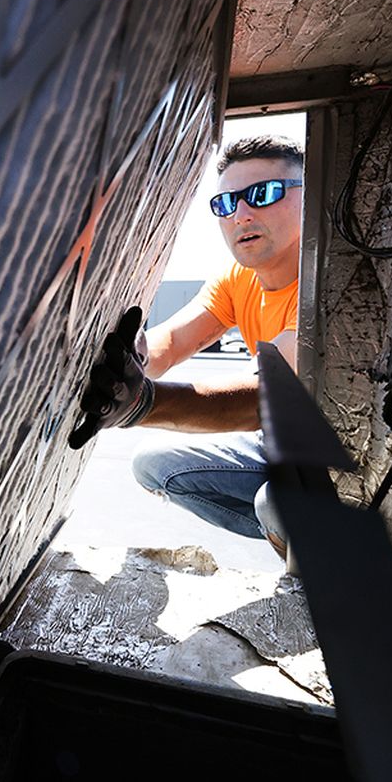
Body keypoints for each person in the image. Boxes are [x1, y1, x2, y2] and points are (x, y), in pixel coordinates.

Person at [67, 134, 306, 556]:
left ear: (308, 196)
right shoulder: (239, 279)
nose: (241, 215)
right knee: (151, 463)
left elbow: (267, 397)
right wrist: (132, 355)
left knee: (277, 505)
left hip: (327, 452)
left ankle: (315, 562)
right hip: (278, 443)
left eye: (263, 194)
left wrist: (144, 405)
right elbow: (173, 341)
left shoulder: (324, 284)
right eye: (226, 203)